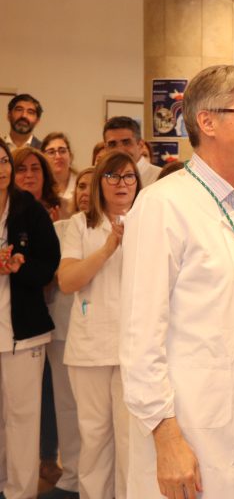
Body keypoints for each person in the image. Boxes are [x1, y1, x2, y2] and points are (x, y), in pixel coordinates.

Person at [120, 64, 234, 498]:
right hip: (192, 430)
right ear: (208, 121)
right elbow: (141, 339)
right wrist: (166, 437)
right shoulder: (164, 204)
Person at [58, 152, 142, 499]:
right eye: (113, 177)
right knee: (93, 437)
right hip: (90, 347)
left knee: (130, 439)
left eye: (128, 177)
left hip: (134, 347)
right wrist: (108, 248)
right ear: (99, 183)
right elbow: (67, 281)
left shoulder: (148, 222)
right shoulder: (81, 224)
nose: (122, 184)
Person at [0, 138, 60, 499]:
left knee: (23, 418)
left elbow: (49, 264)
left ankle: (19, 493)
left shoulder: (29, 210)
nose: (2, 169)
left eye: (4, 161)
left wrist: (20, 266)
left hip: (24, 333)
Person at [40, 167, 94, 499]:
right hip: (63, 329)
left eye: (92, 185)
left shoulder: (118, 228)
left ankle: (99, 480)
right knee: (67, 406)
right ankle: (72, 476)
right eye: (81, 186)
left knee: (98, 414)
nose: (86, 192)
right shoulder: (60, 229)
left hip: (101, 334)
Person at [103, 117, 162, 186]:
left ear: (140, 145)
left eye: (126, 143)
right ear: (105, 148)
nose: (120, 150)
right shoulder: (101, 177)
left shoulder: (160, 177)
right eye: (112, 144)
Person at [12, 146, 65, 221]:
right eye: (21, 170)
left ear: (45, 174)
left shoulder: (64, 208)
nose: (29, 175)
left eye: (35, 169)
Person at [42, 132, 78, 203]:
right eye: (51, 152)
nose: (58, 156)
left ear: (70, 156)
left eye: (62, 151)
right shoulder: (39, 187)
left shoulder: (81, 183)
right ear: (43, 158)